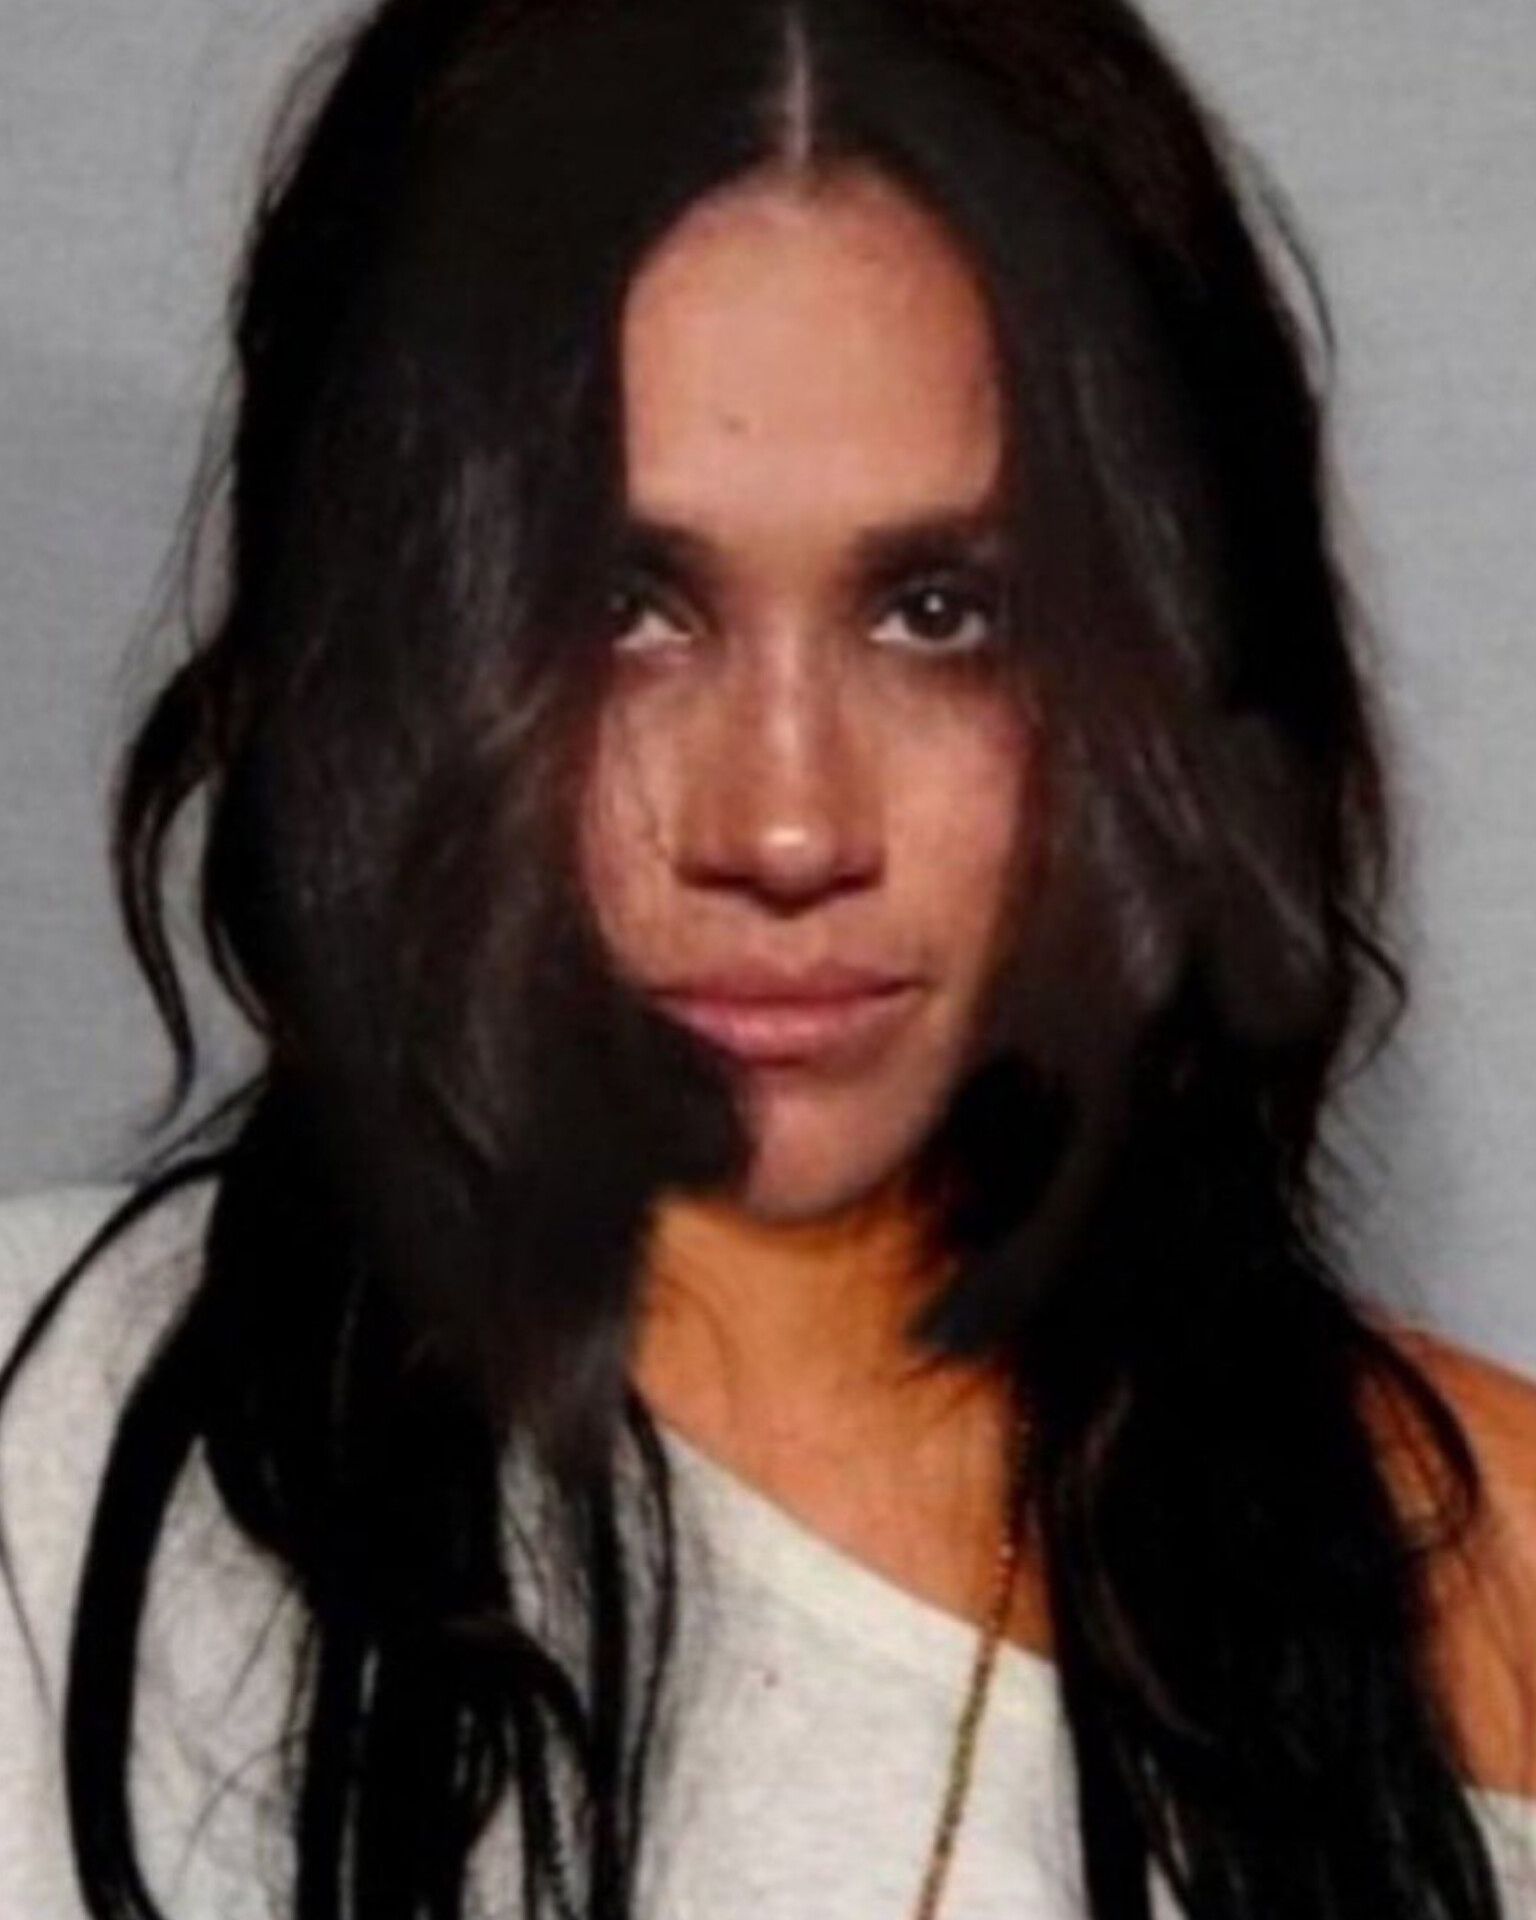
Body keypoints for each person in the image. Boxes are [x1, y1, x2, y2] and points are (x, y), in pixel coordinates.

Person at [1, 0, 1533, 1914]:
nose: (786, 827)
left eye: (940, 613)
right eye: (622, 608)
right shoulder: (42, 1453)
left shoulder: (1482, 1585)